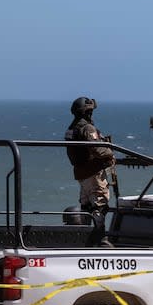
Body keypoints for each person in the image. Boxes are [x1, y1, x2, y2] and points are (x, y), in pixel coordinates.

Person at [64, 97, 116, 247]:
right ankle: (100, 240)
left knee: (87, 207)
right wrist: (110, 152)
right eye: (90, 111)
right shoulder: (87, 128)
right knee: (100, 206)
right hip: (93, 172)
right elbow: (98, 149)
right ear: (87, 112)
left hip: (81, 173)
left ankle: (86, 240)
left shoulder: (72, 128)